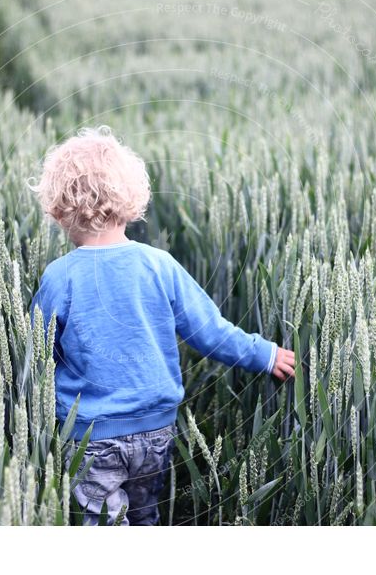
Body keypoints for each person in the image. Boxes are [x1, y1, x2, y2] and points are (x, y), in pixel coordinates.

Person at [29, 125, 296, 525]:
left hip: (91, 436)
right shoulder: (160, 265)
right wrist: (265, 353)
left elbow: (35, 353)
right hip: (156, 430)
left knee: (103, 525)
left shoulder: (59, 277)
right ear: (130, 198)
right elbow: (210, 330)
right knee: (144, 517)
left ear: (59, 208)